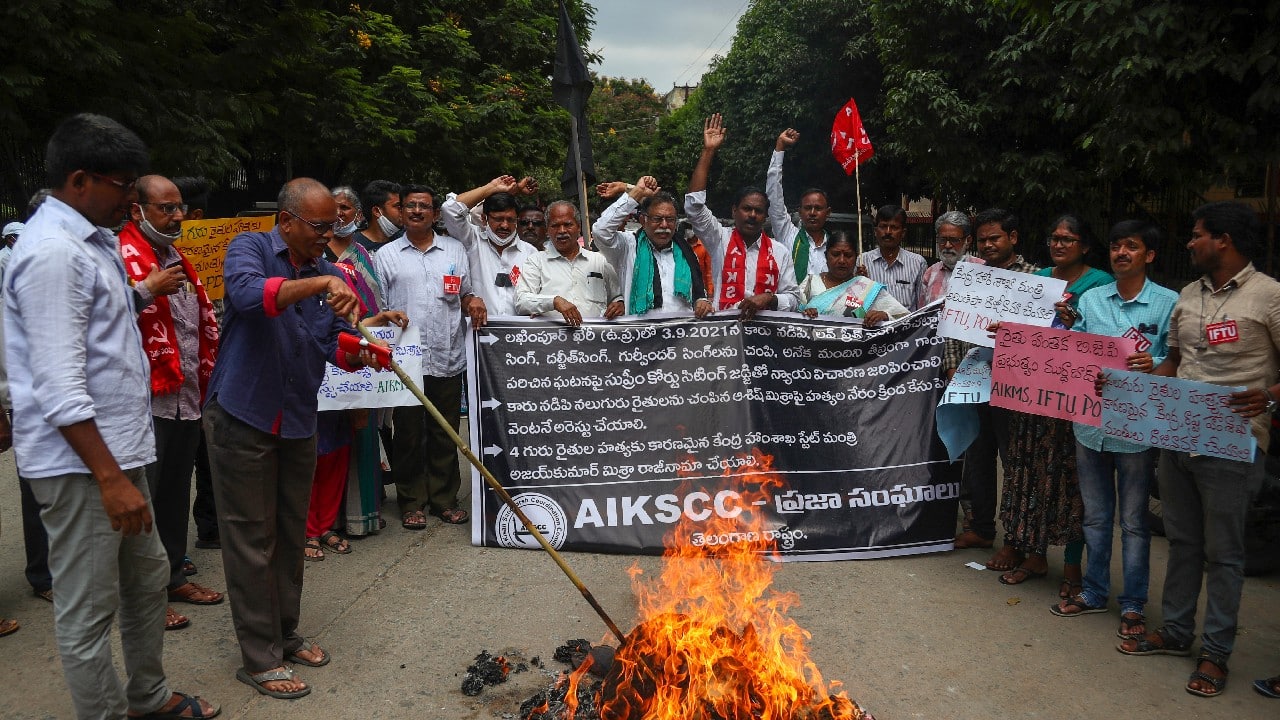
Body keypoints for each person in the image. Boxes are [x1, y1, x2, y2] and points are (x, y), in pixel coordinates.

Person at [5, 112, 218, 719]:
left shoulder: (87, 243)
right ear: (79, 180)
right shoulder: (51, 254)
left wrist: (143, 292)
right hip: (84, 467)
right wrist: (109, 478)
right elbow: (58, 382)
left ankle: (147, 697)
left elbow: (99, 320)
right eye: (123, 185)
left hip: (121, 454)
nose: (132, 198)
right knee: (88, 608)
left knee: (148, 578)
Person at [205, 177, 378, 700]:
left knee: (288, 536)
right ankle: (259, 657)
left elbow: (327, 344)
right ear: (286, 221)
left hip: (298, 418)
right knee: (250, 540)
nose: (327, 238)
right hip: (245, 415)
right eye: (320, 227)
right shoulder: (251, 248)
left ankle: (285, 632)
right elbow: (249, 297)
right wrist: (321, 285)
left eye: (334, 228)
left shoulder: (325, 271)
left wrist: (357, 350)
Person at [1117, 201, 1280, 700]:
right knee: (1182, 541)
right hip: (1179, 437)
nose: (1190, 243)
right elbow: (1174, 364)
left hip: (1234, 443)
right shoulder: (1189, 295)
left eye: (1196, 235)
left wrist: (1270, 396)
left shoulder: (1269, 296)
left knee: (1224, 554)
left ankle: (1215, 653)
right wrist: (1132, 383)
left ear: (1224, 240)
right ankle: (1176, 632)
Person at [1049, 220, 1176, 643]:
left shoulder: (1168, 304)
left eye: (1132, 247)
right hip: (1089, 424)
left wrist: (1153, 364)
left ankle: (1134, 602)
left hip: (1137, 429)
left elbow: (1178, 360)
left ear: (1149, 256)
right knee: (1097, 516)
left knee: (1136, 521)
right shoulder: (1093, 300)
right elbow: (1074, 347)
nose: (1121, 253)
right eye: (1117, 246)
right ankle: (1095, 591)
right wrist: (1061, 327)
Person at [119, 174, 225, 633]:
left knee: (173, 492)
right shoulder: (116, 254)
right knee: (143, 498)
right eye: (166, 208)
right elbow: (96, 320)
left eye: (179, 207)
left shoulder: (176, 257)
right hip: (143, 400)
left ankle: (173, 577)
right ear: (136, 209)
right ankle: (143, 596)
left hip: (184, 396)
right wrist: (145, 289)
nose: (178, 216)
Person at [995, 213, 1111, 592]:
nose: (1059, 245)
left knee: (1069, 482)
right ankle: (1034, 553)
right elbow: (1022, 327)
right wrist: (1005, 329)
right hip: (1031, 394)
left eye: (1068, 239)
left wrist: (1073, 319)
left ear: (1085, 246)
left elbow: (1102, 338)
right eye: (1054, 238)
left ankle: (1074, 567)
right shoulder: (1038, 280)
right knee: (1029, 473)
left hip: (1072, 401)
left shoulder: (1099, 285)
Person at [376, 184, 485, 528]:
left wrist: (474, 301)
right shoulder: (387, 255)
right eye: (410, 206)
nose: (417, 212)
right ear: (402, 212)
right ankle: (411, 501)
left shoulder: (454, 249)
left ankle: (443, 498)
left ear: (436, 214)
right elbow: (379, 310)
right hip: (406, 361)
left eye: (424, 206)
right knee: (408, 434)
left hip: (448, 356)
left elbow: (465, 294)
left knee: (445, 432)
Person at [303, 185, 400, 557]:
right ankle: (307, 530)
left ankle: (327, 525)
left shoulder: (362, 259)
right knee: (310, 452)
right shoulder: (309, 266)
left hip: (346, 364)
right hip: (309, 371)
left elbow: (353, 322)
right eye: (329, 215)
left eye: (344, 210)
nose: (336, 220)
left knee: (338, 449)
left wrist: (378, 320)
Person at [958, 208, 1040, 555]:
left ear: (1013, 238)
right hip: (974, 380)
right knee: (977, 458)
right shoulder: (971, 275)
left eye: (995, 238)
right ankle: (981, 528)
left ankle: (1019, 538)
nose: (988, 245)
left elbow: (1047, 336)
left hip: (1016, 386)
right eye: (982, 240)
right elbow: (954, 325)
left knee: (1016, 462)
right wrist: (952, 368)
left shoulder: (1037, 278)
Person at [684, 113, 801, 320]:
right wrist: (709, 151)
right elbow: (694, 206)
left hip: (766, 339)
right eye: (747, 209)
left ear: (765, 216)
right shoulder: (719, 238)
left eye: (759, 211)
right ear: (734, 211)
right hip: (725, 336)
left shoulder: (779, 251)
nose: (753, 215)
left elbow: (794, 298)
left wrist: (769, 298)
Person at [592, 177, 712, 317]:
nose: (664, 225)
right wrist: (636, 193)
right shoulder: (628, 246)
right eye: (657, 219)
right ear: (643, 220)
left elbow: (698, 293)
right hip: (640, 335)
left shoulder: (687, 253)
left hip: (682, 334)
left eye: (670, 219)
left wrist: (702, 302)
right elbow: (600, 231)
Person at [441, 176, 539, 316]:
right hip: (477, 333)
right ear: (484, 219)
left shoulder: (530, 253)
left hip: (519, 334)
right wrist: (491, 188)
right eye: (498, 219)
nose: (505, 225)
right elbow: (449, 209)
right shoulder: (471, 240)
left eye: (510, 220)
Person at [515, 201, 624, 325]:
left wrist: (619, 304)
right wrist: (554, 302)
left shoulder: (599, 261)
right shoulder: (535, 262)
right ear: (547, 230)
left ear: (579, 228)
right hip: (552, 341)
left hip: (594, 341)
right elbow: (521, 301)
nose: (562, 230)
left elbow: (616, 296)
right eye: (555, 225)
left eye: (568, 224)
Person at [797, 232, 908, 325]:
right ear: (826, 256)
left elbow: (905, 318)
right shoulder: (810, 282)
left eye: (848, 255)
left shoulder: (866, 287)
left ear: (856, 258)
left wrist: (884, 316)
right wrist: (805, 313)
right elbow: (791, 313)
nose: (841, 260)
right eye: (835, 254)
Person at [767, 128, 833, 280]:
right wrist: (779, 148)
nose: (812, 213)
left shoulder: (835, 247)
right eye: (808, 208)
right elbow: (774, 196)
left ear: (828, 212)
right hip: (792, 303)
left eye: (818, 208)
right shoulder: (788, 235)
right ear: (800, 212)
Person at [857, 205, 927, 311]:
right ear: (876, 231)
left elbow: (921, 308)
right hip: (871, 326)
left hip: (905, 326)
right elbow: (855, 306)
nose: (888, 232)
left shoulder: (918, 263)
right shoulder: (862, 261)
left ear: (903, 233)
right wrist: (860, 284)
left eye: (894, 227)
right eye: (883, 226)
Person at [354, 179, 403, 254]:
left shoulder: (404, 241)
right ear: (377, 211)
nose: (403, 211)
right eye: (398, 207)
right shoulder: (354, 248)